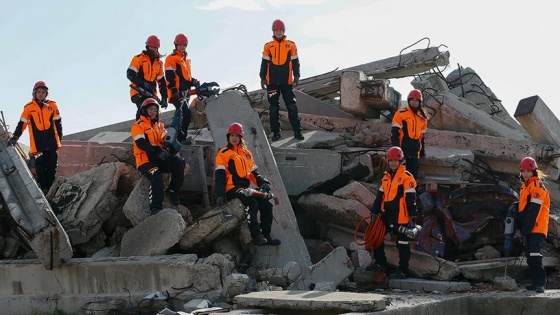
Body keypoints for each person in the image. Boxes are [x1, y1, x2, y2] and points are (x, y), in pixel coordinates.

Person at [214, 122, 281, 246]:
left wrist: (263, 182)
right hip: (232, 188)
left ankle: (266, 236)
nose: (234, 138)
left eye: (236, 135)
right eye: (231, 135)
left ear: (241, 137)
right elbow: (219, 176)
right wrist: (219, 195)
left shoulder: (247, 154)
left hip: (245, 189)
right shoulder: (223, 153)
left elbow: (253, 173)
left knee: (267, 205)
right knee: (252, 203)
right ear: (228, 137)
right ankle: (256, 237)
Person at [366, 146, 418, 279]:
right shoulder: (386, 177)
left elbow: (411, 198)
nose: (393, 162)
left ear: (401, 161)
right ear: (388, 161)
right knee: (376, 238)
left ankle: (403, 271)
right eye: (391, 160)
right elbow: (380, 196)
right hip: (387, 214)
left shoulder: (407, 177)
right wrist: (374, 212)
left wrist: (411, 217)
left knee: (402, 244)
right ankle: (380, 263)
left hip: (402, 216)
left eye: (396, 160)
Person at [131, 98, 186, 215]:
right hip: (145, 161)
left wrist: (176, 133)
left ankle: (172, 190)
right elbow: (141, 143)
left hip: (159, 158)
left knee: (179, 163)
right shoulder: (138, 126)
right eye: (151, 109)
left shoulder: (160, 126)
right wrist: (156, 149)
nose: (153, 112)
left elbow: (165, 139)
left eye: (155, 110)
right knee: (155, 175)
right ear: (144, 110)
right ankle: (155, 207)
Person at [7, 81, 62, 195]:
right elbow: (22, 123)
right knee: (40, 168)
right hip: (38, 143)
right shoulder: (29, 107)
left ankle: (51, 190)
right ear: (34, 93)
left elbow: (58, 122)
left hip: (51, 141)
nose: (41, 94)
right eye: (39, 92)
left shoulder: (52, 105)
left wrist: (59, 138)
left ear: (46, 94)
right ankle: (44, 190)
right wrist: (15, 136)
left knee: (51, 166)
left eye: (43, 92)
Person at [259, 19, 303, 142]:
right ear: (273, 31)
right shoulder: (268, 46)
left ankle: (297, 131)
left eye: (280, 30)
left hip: (286, 81)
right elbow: (264, 64)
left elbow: (295, 63)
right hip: (272, 81)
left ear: (284, 31)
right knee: (273, 109)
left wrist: (297, 76)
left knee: (292, 107)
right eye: (276, 30)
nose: (278, 32)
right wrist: (262, 78)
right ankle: (276, 133)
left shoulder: (291, 45)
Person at [515, 157, 550, 293]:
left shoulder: (537, 187)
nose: (525, 173)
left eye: (528, 171)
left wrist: (525, 229)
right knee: (530, 256)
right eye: (523, 171)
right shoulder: (525, 186)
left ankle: (541, 283)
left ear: (534, 171)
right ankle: (536, 283)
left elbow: (534, 210)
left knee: (534, 254)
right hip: (529, 226)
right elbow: (524, 209)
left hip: (537, 226)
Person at [164, 33, 198, 144]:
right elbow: (169, 76)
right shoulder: (172, 58)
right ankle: (179, 139)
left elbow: (185, 77)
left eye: (184, 45)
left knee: (184, 115)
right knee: (184, 114)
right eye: (180, 44)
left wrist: (193, 81)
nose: (182, 47)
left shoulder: (185, 60)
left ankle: (180, 137)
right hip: (177, 93)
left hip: (185, 93)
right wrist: (174, 91)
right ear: (175, 45)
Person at [127, 35, 168, 120]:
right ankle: (139, 131)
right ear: (147, 46)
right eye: (151, 47)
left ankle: (152, 132)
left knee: (154, 115)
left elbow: (162, 82)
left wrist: (164, 97)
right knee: (143, 110)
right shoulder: (139, 58)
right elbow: (130, 74)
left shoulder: (159, 63)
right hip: (138, 92)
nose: (153, 49)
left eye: (155, 47)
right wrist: (143, 84)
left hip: (151, 94)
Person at [391, 89, 428, 179]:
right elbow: (394, 134)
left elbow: (422, 137)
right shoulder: (401, 113)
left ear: (420, 102)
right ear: (409, 101)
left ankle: (411, 193)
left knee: (412, 176)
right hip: (403, 149)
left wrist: (422, 152)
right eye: (412, 100)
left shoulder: (422, 117)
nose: (414, 102)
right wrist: (397, 151)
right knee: (400, 176)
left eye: (416, 100)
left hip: (415, 151)